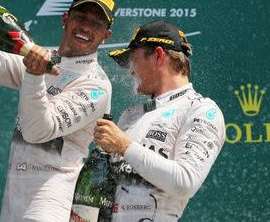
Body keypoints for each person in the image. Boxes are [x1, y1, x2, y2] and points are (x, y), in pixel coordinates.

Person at [0, 0, 116, 221]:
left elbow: (37, 130)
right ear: (65, 19)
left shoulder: (96, 86)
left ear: (105, 35)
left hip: (50, 198)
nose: (86, 27)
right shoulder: (41, 56)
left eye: (97, 24)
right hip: (14, 195)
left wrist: (35, 75)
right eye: (80, 17)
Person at [93, 20, 225, 221]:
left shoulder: (201, 109)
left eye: (133, 60)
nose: (130, 70)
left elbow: (184, 182)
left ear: (158, 55)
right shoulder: (130, 115)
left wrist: (124, 146)